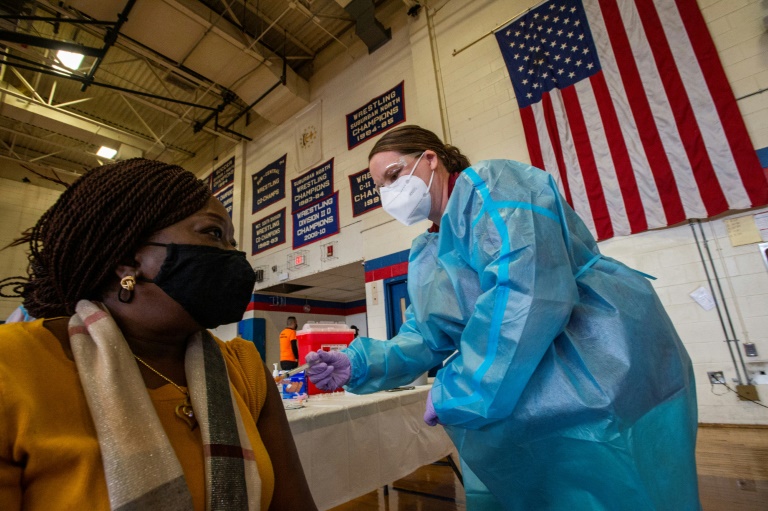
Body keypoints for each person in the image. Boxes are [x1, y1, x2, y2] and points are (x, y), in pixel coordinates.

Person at [306, 125, 700, 510]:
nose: (389, 193)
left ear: (430, 160)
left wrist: (460, 389)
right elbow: (428, 334)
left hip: (599, 368)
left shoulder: (492, 186)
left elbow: (527, 290)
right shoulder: (429, 250)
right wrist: (362, 361)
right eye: (381, 187)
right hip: (518, 400)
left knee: (616, 488)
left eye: (394, 175)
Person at [0, 159, 316, 510]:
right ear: (127, 260)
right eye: (214, 234)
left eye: (232, 242)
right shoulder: (13, 368)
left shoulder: (245, 370)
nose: (234, 256)